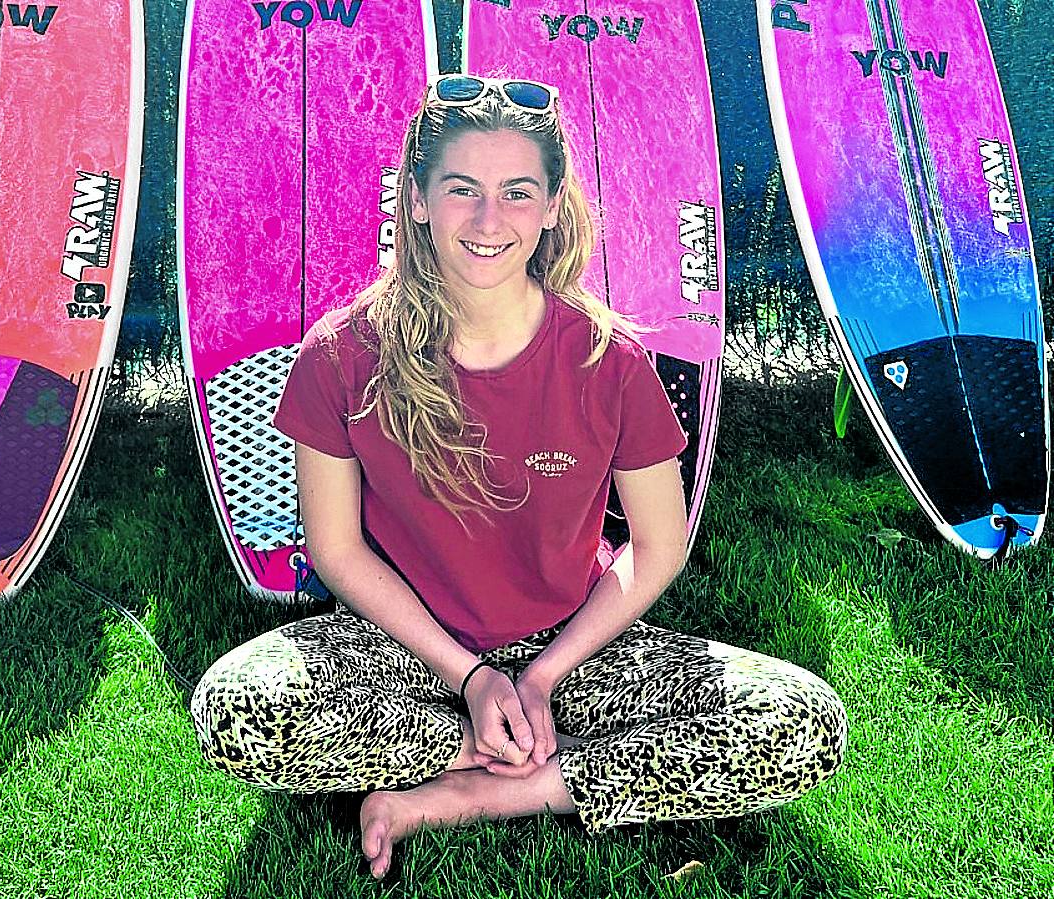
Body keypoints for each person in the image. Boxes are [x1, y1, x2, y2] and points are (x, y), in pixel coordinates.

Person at [191, 75, 848, 881]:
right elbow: (336, 551)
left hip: (570, 643)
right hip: (401, 643)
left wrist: (540, 676)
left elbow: (657, 547)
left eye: (516, 192)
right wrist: (468, 680)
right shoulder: (342, 354)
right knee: (235, 708)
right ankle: (508, 747)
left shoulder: (610, 362)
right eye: (461, 189)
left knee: (800, 722)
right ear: (419, 200)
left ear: (549, 206)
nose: (488, 220)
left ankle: (464, 792)